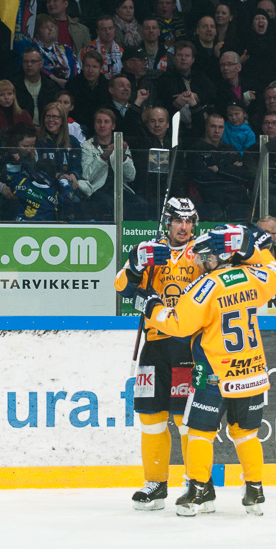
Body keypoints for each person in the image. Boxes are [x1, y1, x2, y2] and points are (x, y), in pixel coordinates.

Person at [132, 223, 276, 516]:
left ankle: (198, 490)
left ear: (215, 257)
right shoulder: (253, 276)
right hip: (251, 372)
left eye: (202, 257)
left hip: (216, 373)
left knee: (200, 431)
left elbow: (178, 325)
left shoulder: (207, 286)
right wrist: (253, 248)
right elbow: (275, 274)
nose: (198, 262)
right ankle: (255, 490)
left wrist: (151, 306)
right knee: (246, 434)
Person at [114, 197, 202, 511]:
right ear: (168, 221)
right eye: (179, 220)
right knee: (151, 417)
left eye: (189, 220)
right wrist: (138, 263)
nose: (184, 226)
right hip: (153, 345)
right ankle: (155, 484)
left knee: (185, 419)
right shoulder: (149, 249)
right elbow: (122, 288)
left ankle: (196, 485)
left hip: (187, 345)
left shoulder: (201, 251)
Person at [77, 108, 143, 220]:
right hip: (97, 189)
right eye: (99, 121)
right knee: (109, 204)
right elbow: (87, 176)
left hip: (119, 189)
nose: (102, 125)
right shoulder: (87, 146)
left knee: (141, 204)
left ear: (113, 126)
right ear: (94, 125)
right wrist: (105, 155)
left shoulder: (120, 143)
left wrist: (123, 156)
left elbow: (131, 176)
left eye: (106, 122)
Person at [187, 112, 250, 218]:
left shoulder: (231, 149)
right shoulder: (196, 149)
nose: (217, 131)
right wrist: (231, 168)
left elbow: (242, 173)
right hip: (208, 195)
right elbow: (202, 176)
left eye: (220, 127)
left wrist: (218, 169)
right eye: (213, 126)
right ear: (206, 127)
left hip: (235, 194)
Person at [0, 122, 38, 220]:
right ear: (14, 142)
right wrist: (1, 187)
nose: (29, 149)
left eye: (32, 145)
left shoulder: (33, 152)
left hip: (22, 202)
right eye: (25, 146)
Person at [156, 40, 216, 137]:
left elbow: (212, 94)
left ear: (193, 59)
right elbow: (170, 98)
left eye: (187, 56)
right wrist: (198, 99)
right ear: (174, 58)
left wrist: (194, 96)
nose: (183, 58)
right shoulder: (166, 78)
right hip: (177, 128)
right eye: (180, 55)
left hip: (203, 125)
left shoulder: (200, 76)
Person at [36, 101, 82, 194]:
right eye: (48, 116)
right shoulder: (37, 140)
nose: (50, 120)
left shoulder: (72, 141)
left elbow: (77, 165)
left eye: (55, 117)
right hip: (43, 185)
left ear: (62, 120)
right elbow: (36, 167)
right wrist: (59, 175)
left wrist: (73, 175)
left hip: (67, 184)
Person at [13, 46, 60, 126]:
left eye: (33, 61)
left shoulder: (51, 86)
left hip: (47, 128)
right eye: (26, 61)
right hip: (23, 130)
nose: (29, 65)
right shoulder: (14, 85)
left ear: (41, 64)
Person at [66, 49, 110, 134]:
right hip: (78, 127)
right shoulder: (72, 84)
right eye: (87, 66)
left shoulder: (107, 86)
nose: (90, 70)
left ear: (101, 69)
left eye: (94, 67)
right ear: (82, 67)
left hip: (101, 126)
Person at [33, 13, 78, 89]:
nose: (51, 29)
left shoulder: (66, 48)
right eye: (46, 27)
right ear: (37, 33)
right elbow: (38, 68)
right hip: (46, 87)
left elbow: (75, 66)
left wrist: (72, 82)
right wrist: (56, 79)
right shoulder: (33, 50)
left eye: (52, 26)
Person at [0, 79, 33, 146]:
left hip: (23, 152)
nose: (6, 98)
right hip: (0, 153)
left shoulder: (24, 115)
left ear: (14, 96)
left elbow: (32, 136)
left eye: (9, 94)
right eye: (2, 95)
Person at [80, 15, 125, 80]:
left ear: (114, 29)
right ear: (98, 31)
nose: (108, 32)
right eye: (104, 29)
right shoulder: (87, 51)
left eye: (110, 28)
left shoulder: (121, 51)